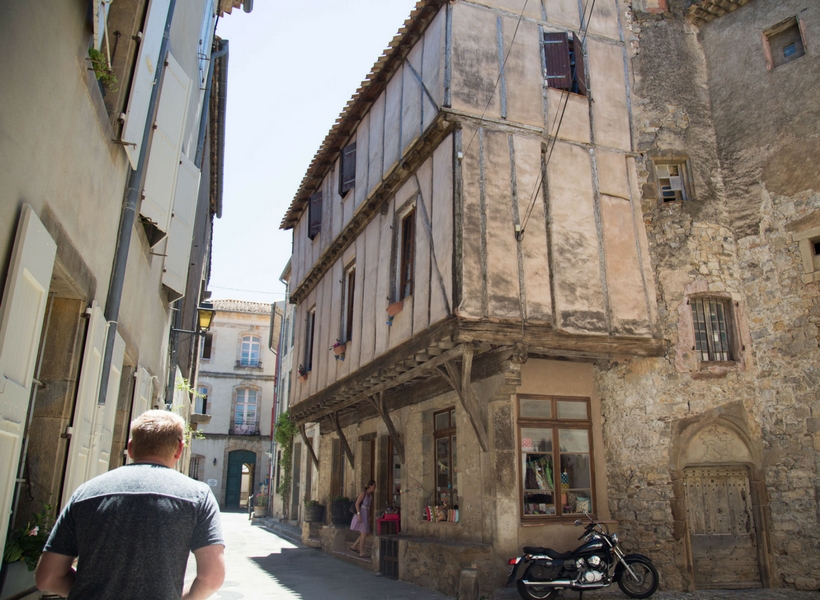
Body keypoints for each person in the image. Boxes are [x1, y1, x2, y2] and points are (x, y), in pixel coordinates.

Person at [35, 410, 225, 600]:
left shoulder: (86, 493)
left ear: (131, 447)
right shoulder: (197, 496)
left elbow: (48, 577)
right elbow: (212, 578)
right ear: (179, 450)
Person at [349, 480, 376, 558]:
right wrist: (358, 515)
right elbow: (357, 504)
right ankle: (361, 552)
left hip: (366, 513)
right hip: (361, 513)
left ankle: (354, 546)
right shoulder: (363, 493)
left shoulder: (370, 495)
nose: (375, 487)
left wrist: (369, 516)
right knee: (364, 533)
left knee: (366, 533)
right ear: (370, 486)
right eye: (374, 485)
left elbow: (369, 506)